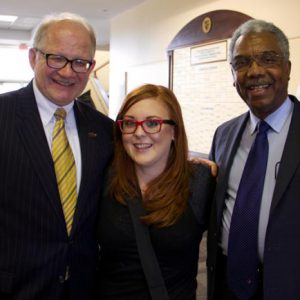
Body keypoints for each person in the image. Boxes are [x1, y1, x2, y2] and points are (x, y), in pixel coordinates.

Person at [0, 12, 113, 300]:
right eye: (56, 58)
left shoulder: (103, 130)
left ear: (90, 67)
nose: (67, 72)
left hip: (82, 287)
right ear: (33, 58)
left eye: (79, 62)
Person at [207, 19, 300, 300]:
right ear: (233, 74)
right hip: (226, 284)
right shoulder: (223, 135)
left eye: (268, 59)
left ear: (287, 68)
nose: (255, 71)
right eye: (242, 62)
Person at [97, 84, 215, 299]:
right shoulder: (104, 177)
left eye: (153, 123)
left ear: (174, 132)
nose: (139, 133)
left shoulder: (200, 182)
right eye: (130, 123)